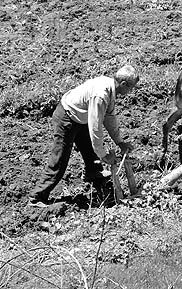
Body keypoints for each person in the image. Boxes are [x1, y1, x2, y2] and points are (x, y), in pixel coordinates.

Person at [29, 65, 139, 207]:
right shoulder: (101, 95)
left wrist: (119, 142)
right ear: (123, 84)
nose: (131, 92)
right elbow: (95, 126)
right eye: (131, 88)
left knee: (89, 152)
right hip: (67, 118)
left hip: (80, 117)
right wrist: (104, 155)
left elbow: (109, 118)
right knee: (60, 160)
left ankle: (93, 174)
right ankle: (37, 197)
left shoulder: (110, 89)